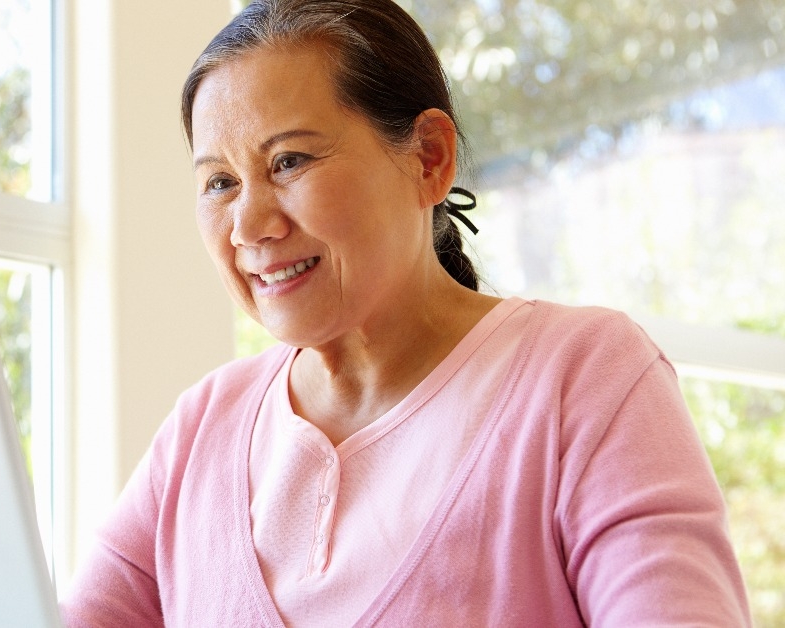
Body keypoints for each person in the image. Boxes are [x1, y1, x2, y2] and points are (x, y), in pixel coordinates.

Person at [60, 0, 751, 625]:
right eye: (220, 182)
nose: (249, 224)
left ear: (429, 158)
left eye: (289, 161)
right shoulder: (201, 429)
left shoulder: (583, 376)